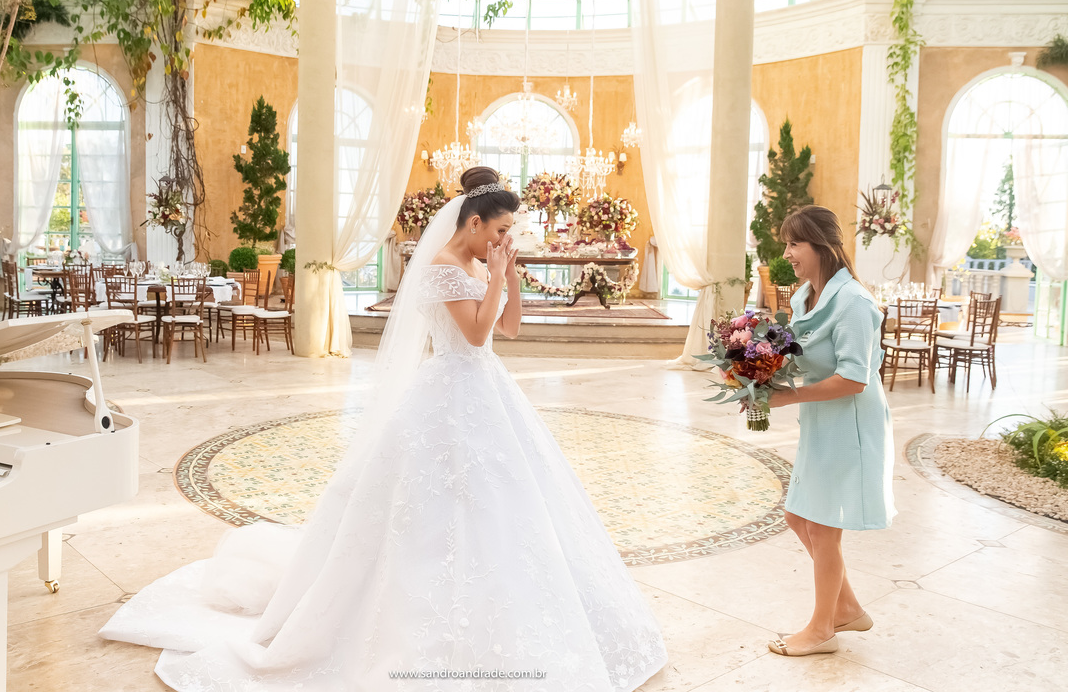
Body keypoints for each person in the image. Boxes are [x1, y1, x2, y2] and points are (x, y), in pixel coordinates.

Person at [100, 165, 670, 691]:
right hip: (448, 390)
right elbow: (473, 335)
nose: (504, 240)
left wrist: (509, 276)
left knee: (510, 505)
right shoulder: (442, 268)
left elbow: (510, 330)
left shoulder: (483, 265)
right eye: (500, 231)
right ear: (474, 223)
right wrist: (496, 276)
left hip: (490, 390)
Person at [763, 204, 896, 657]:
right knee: (798, 516)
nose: (787, 254)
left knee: (822, 527)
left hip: (850, 423)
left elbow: (854, 379)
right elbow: (800, 353)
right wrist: (756, 368)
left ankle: (822, 630)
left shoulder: (855, 303)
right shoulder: (805, 297)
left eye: (794, 243)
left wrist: (788, 396)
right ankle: (848, 608)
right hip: (821, 419)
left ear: (820, 245)